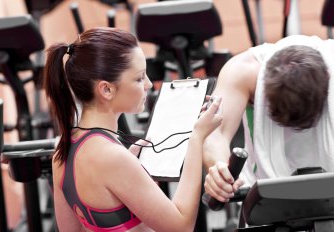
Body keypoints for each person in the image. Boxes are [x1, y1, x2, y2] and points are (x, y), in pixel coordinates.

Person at [44, 27, 223, 232]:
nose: (148, 85)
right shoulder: (112, 157)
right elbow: (181, 227)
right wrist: (197, 138)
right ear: (106, 89)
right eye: (139, 78)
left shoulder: (62, 150)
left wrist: (131, 170)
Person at [203, 34, 334, 203]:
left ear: (328, 82)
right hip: (267, 192)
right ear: (263, 87)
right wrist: (219, 171)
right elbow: (214, 135)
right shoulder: (243, 71)